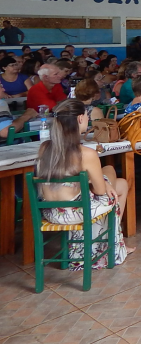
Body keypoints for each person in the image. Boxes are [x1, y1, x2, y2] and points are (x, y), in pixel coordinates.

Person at [35, 99, 131, 269]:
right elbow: (100, 191)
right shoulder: (86, 154)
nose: (89, 119)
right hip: (77, 212)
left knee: (121, 184)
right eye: (87, 116)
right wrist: (104, 183)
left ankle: (113, 243)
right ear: (80, 118)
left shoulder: (44, 148)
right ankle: (111, 246)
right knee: (110, 178)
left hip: (51, 211)